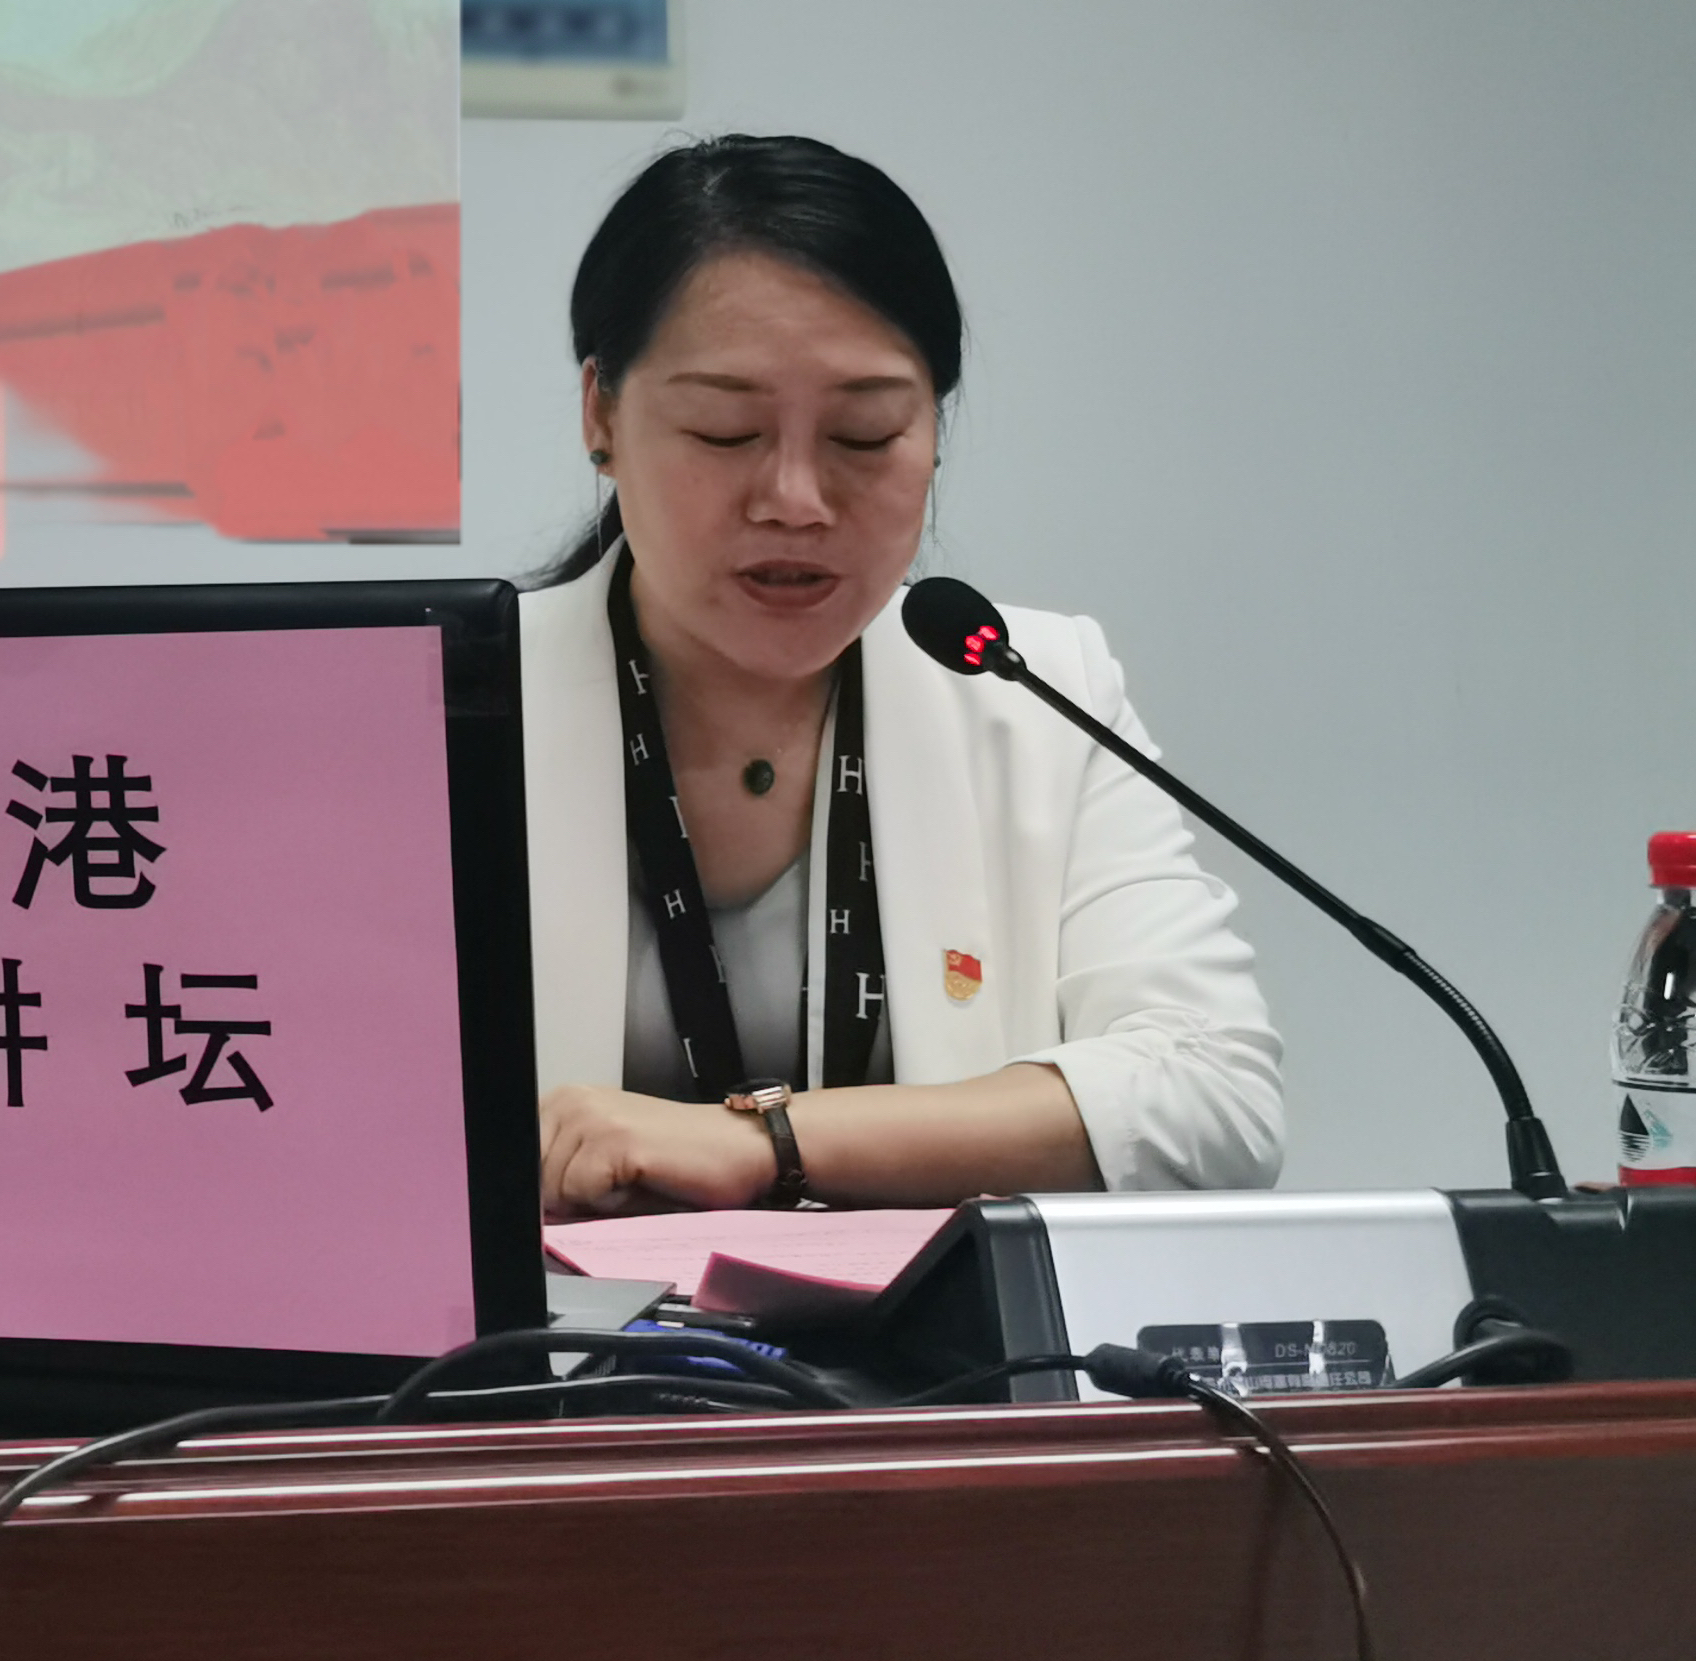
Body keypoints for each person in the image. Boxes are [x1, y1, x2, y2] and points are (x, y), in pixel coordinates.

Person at [526, 134, 1280, 1219]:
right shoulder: (435, 709)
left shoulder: (1035, 693)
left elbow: (1217, 1098)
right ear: (600, 413)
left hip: (946, 1333)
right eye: (725, 431)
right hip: (544, 1333)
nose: (795, 500)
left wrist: (767, 1144)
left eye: (865, 434)